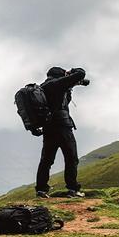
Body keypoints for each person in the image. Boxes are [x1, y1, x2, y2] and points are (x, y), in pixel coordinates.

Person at [35, 66, 90, 198]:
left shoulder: (44, 87)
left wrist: (70, 87)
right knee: (71, 158)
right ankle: (72, 189)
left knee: (46, 160)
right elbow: (81, 73)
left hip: (49, 128)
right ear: (60, 75)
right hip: (62, 127)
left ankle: (41, 190)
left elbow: (61, 101)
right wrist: (71, 72)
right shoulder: (57, 84)